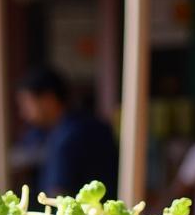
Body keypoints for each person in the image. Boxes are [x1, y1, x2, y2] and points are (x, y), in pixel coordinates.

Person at [15, 67, 118, 199]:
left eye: (27, 104)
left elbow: (56, 195)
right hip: (108, 211)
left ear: (48, 100)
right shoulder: (88, 123)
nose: (23, 113)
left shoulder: (67, 136)